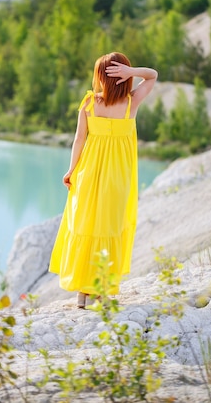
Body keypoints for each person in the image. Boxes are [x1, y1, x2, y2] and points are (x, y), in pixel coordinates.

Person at [49, 52, 158, 308]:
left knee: (85, 226)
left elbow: (78, 140)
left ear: (99, 77)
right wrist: (132, 73)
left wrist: (70, 171)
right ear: (122, 76)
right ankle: (102, 291)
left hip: (87, 173)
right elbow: (152, 75)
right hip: (117, 179)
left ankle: (82, 295)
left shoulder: (89, 103)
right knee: (108, 229)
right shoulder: (131, 102)